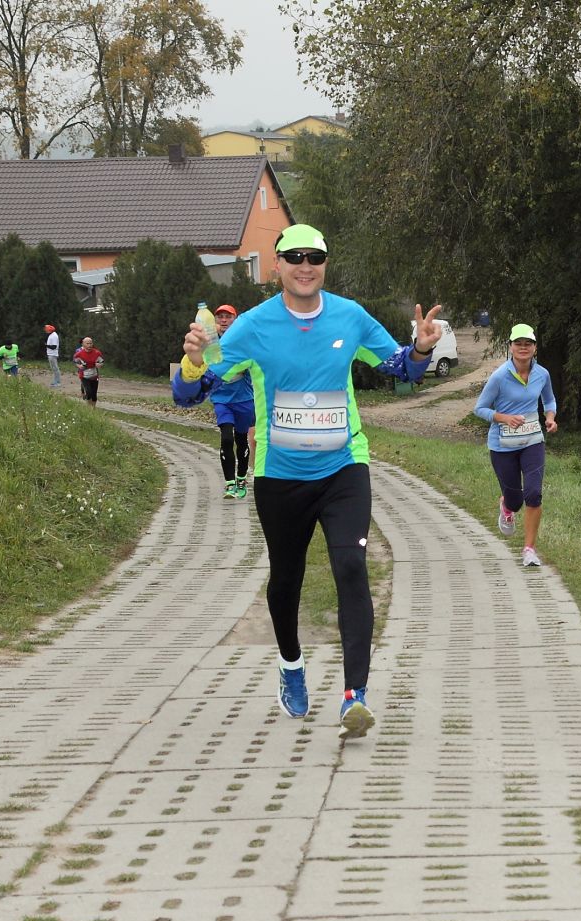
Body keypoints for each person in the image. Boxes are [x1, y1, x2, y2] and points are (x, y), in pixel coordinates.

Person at [171, 224, 441, 740]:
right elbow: (191, 394)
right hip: (280, 476)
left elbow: (402, 369)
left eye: (314, 257)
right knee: (286, 578)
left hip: (344, 467)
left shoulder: (350, 316)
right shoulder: (251, 327)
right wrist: (193, 361)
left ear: (325, 264)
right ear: (276, 265)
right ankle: (291, 665)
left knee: (351, 566)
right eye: (293, 257)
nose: (304, 265)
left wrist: (421, 350)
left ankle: (355, 696)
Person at [473, 323, 558, 568]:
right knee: (515, 500)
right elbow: (480, 408)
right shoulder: (500, 376)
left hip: (532, 441)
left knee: (533, 493)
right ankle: (507, 507)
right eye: (518, 343)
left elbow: (549, 400)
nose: (523, 347)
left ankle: (529, 550)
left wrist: (550, 418)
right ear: (510, 347)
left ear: (535, 348)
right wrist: (504, 418)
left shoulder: (542, 374)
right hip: (502, 445)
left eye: (528, 343)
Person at [178, 304, 257, 499]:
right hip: (222, 399)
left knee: (241, 440)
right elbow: (197, 364)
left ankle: (241, 478)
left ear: (235, 320)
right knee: (227, 438)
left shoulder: (243, 340)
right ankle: (230, 484)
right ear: (214, 321)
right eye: (220, 317)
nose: (224, 320)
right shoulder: (210, 343)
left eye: (228, 317)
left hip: (244, 399)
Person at [72, 337, 103, 406]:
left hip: (94, 376)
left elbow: (101, 361)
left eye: (91, 343)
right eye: (87, 343)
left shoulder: (97, 353)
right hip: (84, 376)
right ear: (83, 344)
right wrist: (79, 366)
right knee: (88, 392)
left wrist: (99, 364)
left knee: (94, 394)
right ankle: (89, 408)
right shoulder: (79, 354)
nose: (89, 345)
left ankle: (93, 408)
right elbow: (75, 361)